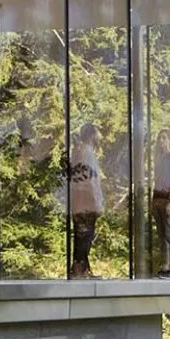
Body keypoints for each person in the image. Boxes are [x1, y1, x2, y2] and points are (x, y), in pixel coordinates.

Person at [67, 119, 103, 278]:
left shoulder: (77, 152)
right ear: (91, 136)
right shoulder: (87, 153)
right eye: (96, 133)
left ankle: (82, 270)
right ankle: (79, 270)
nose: (99, 136)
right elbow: (91, 180)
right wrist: (97, 202)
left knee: (80, 236)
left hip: (77, 201)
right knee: (85, 236)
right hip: (87, 201)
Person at [149, 127, 170, 276]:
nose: (161, 141)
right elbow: (156, 181)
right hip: (157, 199)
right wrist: (152, 202)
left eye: (164, 138)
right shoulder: (158, 159)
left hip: (168, 200)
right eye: (159, 138)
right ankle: (165, 264)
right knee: (162, 235)